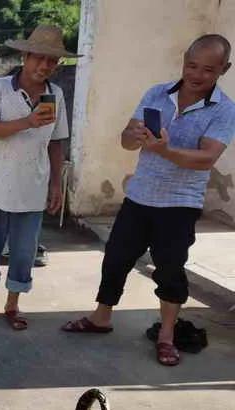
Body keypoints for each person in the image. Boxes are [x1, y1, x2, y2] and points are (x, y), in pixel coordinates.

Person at [62, 34, 235, 366]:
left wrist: (165, 150)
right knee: (115, 259)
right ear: (184, 59)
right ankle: (101, 318)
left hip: (179, 204)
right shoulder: (157, 93)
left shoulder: (224, 110)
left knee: (170, 271)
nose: (197, 75)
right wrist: (135, 136)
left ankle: (167, 336)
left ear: (224, 69)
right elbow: (127, 140)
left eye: (208, 70)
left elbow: (206, 158)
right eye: (192, 65)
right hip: (140, 196)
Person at [0, 25, 79, 330]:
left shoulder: (55, 94)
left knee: (23, 251)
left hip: (32, 185)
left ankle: (12, 306)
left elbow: (57, 141)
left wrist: (57, 184)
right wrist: (28, 121)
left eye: (52, 61)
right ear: (26, 56)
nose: (44, 66)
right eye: (39, 58)